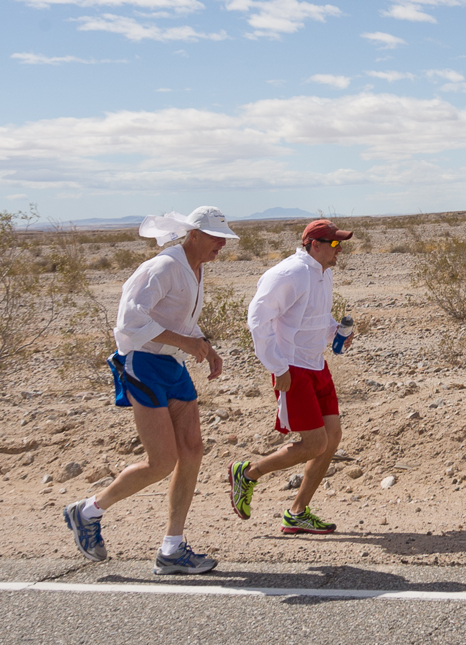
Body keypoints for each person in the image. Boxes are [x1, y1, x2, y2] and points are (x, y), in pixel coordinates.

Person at [63, 205, 234, 576]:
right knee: (161, 461)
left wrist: (202, 343)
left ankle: (172, 548)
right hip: (143, 363)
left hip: (172, 364)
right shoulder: (164, 265)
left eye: (224, 239)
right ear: (193, 235)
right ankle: (88, 511)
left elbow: (177, 317)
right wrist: (186, 344)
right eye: (215, 238)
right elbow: (131, 320)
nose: (221, 245)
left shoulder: (194, 267)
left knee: (192, 450)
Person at [227, 218, 355, 534]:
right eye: (335, 244)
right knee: (313, 444)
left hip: (316, 365)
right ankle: (248, 473)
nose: (340, 250)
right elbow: (258, 319)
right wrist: (277, 366)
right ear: (314, 245)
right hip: (292, 368)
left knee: (332, 437)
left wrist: (335, 333)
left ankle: (298, 512)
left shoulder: (322, 275)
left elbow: (314, 317)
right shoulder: (288, 273)